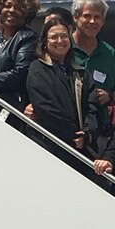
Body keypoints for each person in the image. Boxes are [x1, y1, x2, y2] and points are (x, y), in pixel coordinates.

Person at [22, 14, 84, 148]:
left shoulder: (81, 72)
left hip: (82, 145)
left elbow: (93, 107)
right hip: (50, 144)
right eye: (54, 37)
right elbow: (46, 107)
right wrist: (73, 133)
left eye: (64, 36)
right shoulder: (37, 69)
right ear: (45, 41)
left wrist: (88, 135)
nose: (60, 41)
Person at [68, 0, 115, 133]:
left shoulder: (110, 54)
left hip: (97, 129)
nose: (92, 21)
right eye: (87, 16)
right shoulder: (62, 45)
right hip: (65, 123)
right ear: (75, 17)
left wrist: (108, 96)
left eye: (97, 17)